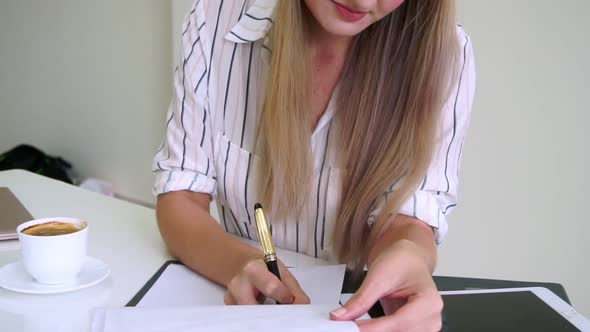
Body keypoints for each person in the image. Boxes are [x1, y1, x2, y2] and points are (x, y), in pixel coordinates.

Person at [153, 0, 475, 330]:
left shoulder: (444, 55)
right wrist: (242, 263)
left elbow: (409, 216)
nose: (363, 2)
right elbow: (181, 198)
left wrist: (410, 253)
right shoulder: (215, 17)